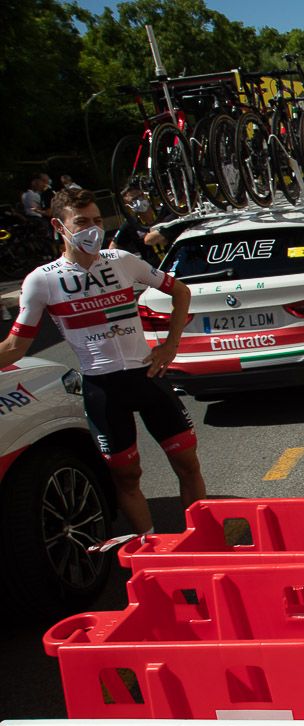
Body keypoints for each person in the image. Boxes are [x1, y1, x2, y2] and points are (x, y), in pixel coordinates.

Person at [0, 188, 205, 539]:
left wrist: (170, 346)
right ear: (58, 226)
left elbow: (181, 292)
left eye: (97, 220)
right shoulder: (42, 280)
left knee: (187, 464)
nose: (93, 229)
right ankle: (150, 546)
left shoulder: (122, 260)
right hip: (103, 388)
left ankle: (201, 540)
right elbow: (16, 346)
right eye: (81, 222)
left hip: (148, 377)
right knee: (127, 477)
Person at [109, 186, 168, 265]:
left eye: (141, 196)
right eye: (134, 200)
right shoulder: (130, 224)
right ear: (128, 205)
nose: (139, 201)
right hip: (153, 270)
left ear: (146, 196)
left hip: (174, 261)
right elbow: (112, 250)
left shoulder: (163, 214)